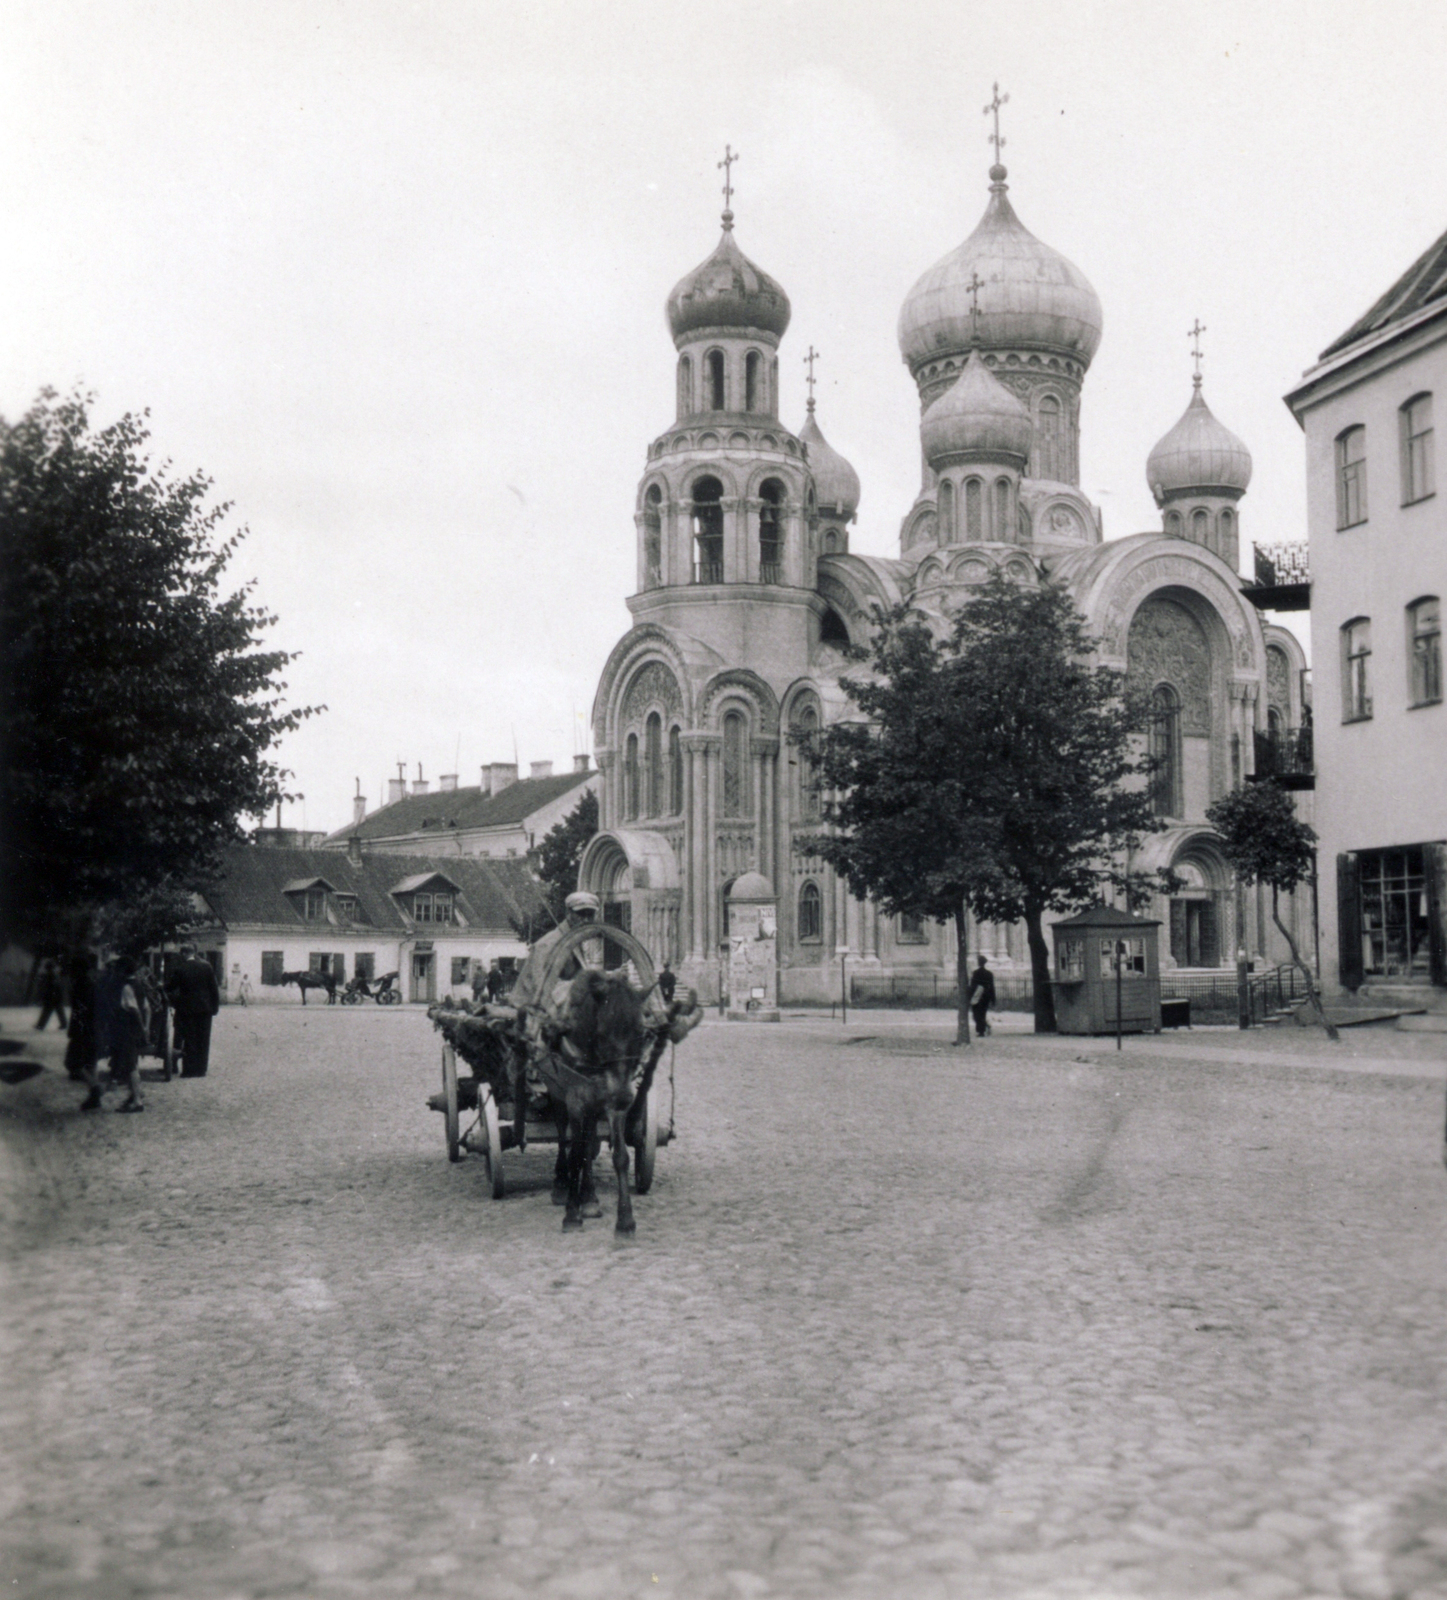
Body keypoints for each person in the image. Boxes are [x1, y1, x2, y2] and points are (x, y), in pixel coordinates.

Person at [167, 944, 220, 1078]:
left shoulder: (181, 968)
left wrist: (162, 987)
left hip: (187, 1009)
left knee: (189, 1039)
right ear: (193, 953)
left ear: (184, 953)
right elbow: (214, 989)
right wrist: (215, 1008)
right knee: (203, 1039)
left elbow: (171, 987)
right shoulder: (207, 966)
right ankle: (201, 1070)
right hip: (205, 1009)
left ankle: (189, 1070)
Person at [104, 954, 149, 1113]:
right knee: (131, 1063)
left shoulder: (126, 987)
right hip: (135, 1030)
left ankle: (137, 1101)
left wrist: (142, 1028)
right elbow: (146, 1008)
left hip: (127, 1030)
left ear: (122, 970)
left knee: (130, 1065)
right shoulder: (139, 985)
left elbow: (134, 1010)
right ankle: (136, 1094)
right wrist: (146, 1027)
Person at [33, 957, 67, 1031]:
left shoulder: (49, 976)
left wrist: (43, 996)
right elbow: (58, 986)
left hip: (51, 996)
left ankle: (40, 1025)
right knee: (58, 1011)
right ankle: (63, 1024)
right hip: (56, 996)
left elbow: (47, 987)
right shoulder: (55, 975)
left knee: (46, 1012)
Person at [967, 953, 996, 1039]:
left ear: (979, 963)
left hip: (978, 995)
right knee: (982, 1014)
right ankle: (984, 1027)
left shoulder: (976, 973)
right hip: (985, 996)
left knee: (976, 1014)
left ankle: (981, 1031)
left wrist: (969, 997)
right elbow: (992, 987)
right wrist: (993, 999)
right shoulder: (989, 974)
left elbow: (972, 986)